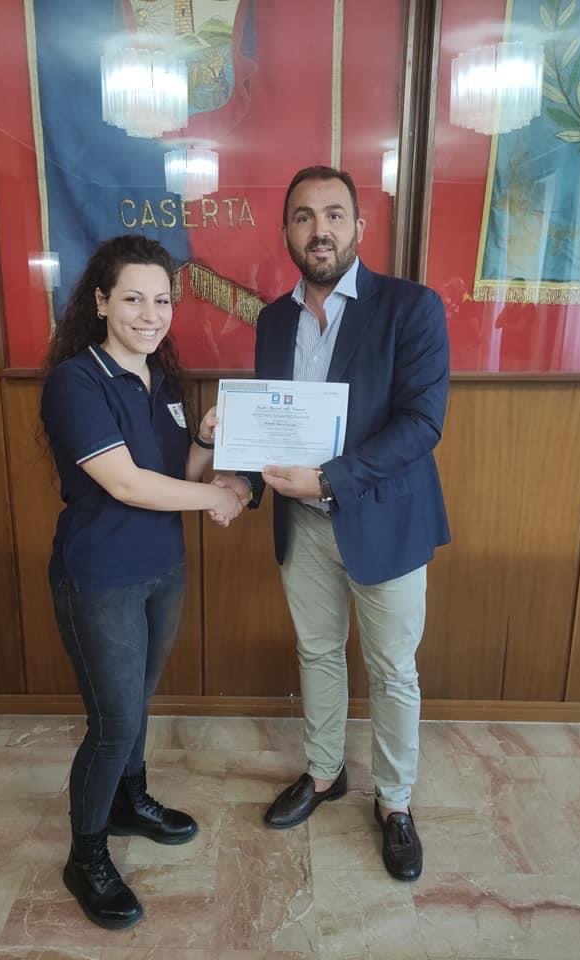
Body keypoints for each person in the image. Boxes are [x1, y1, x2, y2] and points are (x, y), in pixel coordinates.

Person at [215, 165, 450, 882]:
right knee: (317, 651)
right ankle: (323, 773)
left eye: (334, 214)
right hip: (304, 526)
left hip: (385, 520)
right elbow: (273, 426)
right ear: (287, 232)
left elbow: (422, 424)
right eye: (303, 216)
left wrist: (330, 478)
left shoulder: (410, 308)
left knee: (392, 669)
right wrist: (240, 479)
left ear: (358, 227)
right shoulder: (274, 320)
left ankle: (396, 802)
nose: (319, 229)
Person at [41, 234, 243, 930]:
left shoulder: (166, 382)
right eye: (133, 298)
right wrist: (218, 497)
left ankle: (130, 800)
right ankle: (86, 855)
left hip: (163, 568)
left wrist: (207, 442)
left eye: (161, 300)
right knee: (114, 720)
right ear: (100, 302)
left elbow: (175, 475)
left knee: (137, 700)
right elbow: (126, 484)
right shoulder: (76, 382)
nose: (150, 314)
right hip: (100, 576)